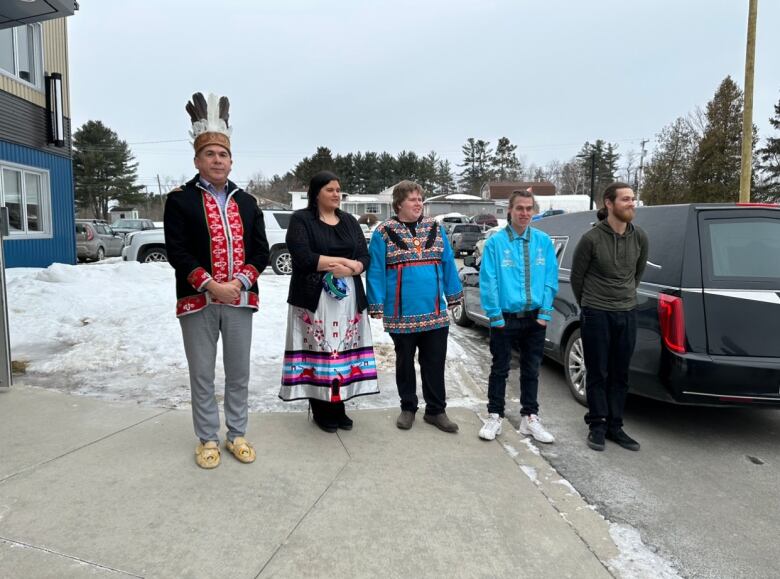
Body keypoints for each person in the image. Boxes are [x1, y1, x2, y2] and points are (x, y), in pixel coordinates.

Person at [164, 92, 270, 469]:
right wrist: (211, 284)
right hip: (198, 301)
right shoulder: (179, 201)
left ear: (231, 160)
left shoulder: (248, 202)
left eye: (222, 155)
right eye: (209, 154)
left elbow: (262, 251)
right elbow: (177, 252)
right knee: (203, 374)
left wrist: (239, 283)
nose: (217, 160)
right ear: (197, 160)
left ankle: (237, 434)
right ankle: (207, 437)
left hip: (240, 301)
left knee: (239, 372)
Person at [278, 171, 379, 431]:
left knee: (342, 351)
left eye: (338, 190)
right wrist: (342, 263)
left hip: (347, 299)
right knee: (321, 351)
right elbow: (302, 256)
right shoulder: (302, 219)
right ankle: (321, 408)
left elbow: (364, 256)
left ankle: (339, 404)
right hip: (314, 297)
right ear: (316, 193)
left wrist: (353, 267)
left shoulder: (348, 221)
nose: (336, 194)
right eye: (330, 190)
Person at [366, 181, 463, 433]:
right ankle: (408, 407)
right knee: (405, 363)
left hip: (434, 313)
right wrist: (375, 302)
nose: (418, 203)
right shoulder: (383, 232)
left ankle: (436, 411)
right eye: (412, 199)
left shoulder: (435, 228)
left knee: (434, 363)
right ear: (399, 204)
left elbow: (448, 263)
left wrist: (453, 296)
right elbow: (376, 270)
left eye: (420, 199)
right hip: (400, 313)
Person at [570, 182, 648, 452]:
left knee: (620, 372)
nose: (631, 203)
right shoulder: (591, 239)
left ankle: (616, 425)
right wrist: (591, 305)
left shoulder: (640, 238)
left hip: (626, 312)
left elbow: (636, 274)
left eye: (633, 199)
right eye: (626, 199)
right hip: (596, 313)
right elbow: (576, 278)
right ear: (609, 203)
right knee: (598, 372)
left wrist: (623, 298)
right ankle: (597, 426)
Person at [478, 190, 558, 443]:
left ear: (533, 211)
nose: (524, 213)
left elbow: (550, 279)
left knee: (531, 369)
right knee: (500, 368)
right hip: (505, 317)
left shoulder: (544, 241)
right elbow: (488, 280)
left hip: (535, 318)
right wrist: (494, 314)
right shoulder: (495, 243)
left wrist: (545, 312)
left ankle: (529, 417)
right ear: (510, 211)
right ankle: (495, 415)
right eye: (519, 208)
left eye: (529, 208)